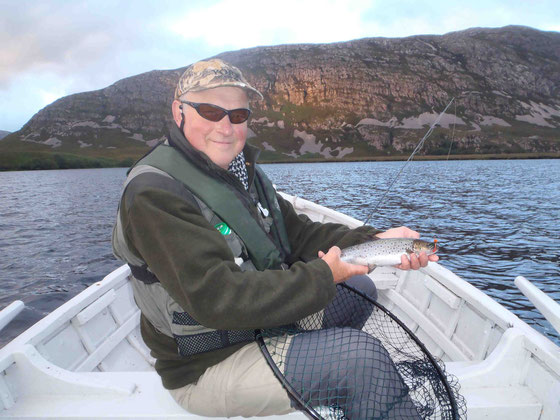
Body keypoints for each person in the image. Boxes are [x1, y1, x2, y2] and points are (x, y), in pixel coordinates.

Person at [112, 58, 438, 418]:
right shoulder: (153, 194)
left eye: (237, 116)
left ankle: (319, 375)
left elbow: (301, 235)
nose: (225, 126)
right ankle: (335, 375)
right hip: (208, 363)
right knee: (361, 361)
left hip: (259, 326)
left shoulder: (241, 175)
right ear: (179, 112)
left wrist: (375, 239)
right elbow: (219, 298)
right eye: (210, 111)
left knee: (361, 290)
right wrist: (326, 275)